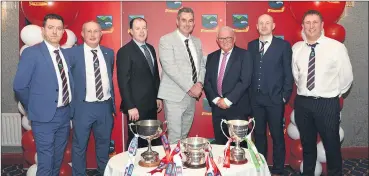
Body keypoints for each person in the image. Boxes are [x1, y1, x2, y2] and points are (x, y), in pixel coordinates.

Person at [292, 10, 353, 176]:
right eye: (307, 23)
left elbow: (346, 78)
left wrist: (330, 93)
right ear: (303, 26)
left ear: (322, 25)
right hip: (303, 103)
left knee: (332, 146)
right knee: (308, 146)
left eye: (315, 22)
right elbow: (297, 76)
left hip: (327, 104)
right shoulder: (297, 49)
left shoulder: (336, 48)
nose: (311, 26)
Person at [13, 14, 73, 176]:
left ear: (63, 32)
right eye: (50, 27)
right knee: (45, 164)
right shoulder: (32, 53)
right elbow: (19, 86)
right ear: (43, 30)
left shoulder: (66, 54)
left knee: (57, 161)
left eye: (59, 28)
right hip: (43, 118)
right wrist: (34, 108)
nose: (55, 32)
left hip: (64, 115)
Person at [66, 21, 115, 175]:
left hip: (105, 106)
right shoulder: (72, 54)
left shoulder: (109, 53)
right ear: (82, 34)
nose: (93, 35)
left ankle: (103, 172)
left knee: (104, 145)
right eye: (89, 31)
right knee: (79, 146)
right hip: (83, 107)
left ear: (101, 34)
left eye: (96, 31)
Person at [247, 14, 293, 176]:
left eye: (267, 23)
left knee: (277, 135)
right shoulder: (251, 46)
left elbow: (288, 73)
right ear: (257, 26)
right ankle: (261, 167)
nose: (264, 26)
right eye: (261, 23)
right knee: (259, 135)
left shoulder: (283, 46)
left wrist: (284, 97)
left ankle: (279, 169)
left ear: (273, 26)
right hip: (256, 100)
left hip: (275, 99)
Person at [158, 7, 205, 144]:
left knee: (184, 137)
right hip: (174, 96)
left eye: (190, 20)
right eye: (183, 20)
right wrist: (191, 87)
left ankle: (181, 164)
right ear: (177, 21)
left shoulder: (197, 42)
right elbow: (170, 68)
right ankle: (173, 165)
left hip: (191, 98)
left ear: (194, 23)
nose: (187, 23)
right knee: (174, 137)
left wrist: (200, 84)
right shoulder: (166, 40)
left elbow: (201, 65)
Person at [116, 17, 162, 150]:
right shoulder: (125, 51)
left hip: (151, 105)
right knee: (135, 141)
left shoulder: (151, 49)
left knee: (151, 140)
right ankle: (131, 168)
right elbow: (123, 81)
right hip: (135, 108)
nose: (141, 31)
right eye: (137, 28)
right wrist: (130, 106)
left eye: (144, 28)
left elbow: (155, 76)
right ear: (130, 31)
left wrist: (158, 97)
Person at [203, 26, 253, 145]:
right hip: (217, 108)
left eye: (228, 38)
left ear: (234, 39)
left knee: (239, 146)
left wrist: (228, 100)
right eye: (221, 38)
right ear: (217, 40)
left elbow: (245, 81)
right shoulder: (211, 57)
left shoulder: (244, 55)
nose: (225, 41)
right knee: (220, 145)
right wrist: (216, 100)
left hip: (237, 108)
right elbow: (207, 81)